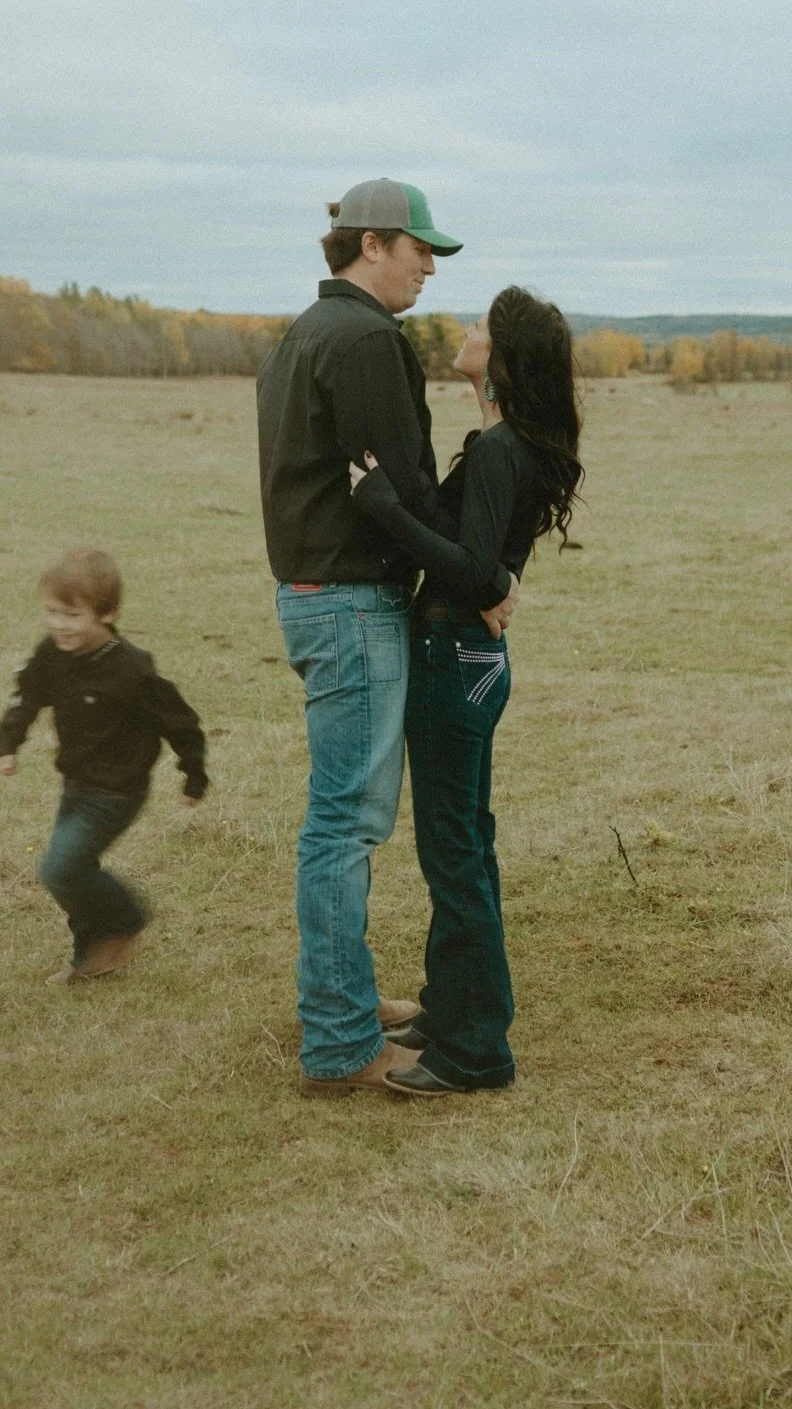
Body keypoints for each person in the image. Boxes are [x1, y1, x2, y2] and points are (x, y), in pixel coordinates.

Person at [256, 179, 519, 1096]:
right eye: (420, 251)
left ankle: (345, 996)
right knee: (347, 821)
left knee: (341, 816)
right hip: (351, 602)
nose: (430, 269)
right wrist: (481, 577)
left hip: (315, 594)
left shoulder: (304, 332)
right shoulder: (369, 340)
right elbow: (400, 488)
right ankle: (337, 1040)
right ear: (372, 244)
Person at [349, 287, 583, 1095]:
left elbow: (475, 568)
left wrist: (383, 507)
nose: (467, 330)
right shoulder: (503, 442)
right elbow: (489, 564)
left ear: (504, 357)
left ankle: (477, 1048)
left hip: (455, 654)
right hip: (473, 658)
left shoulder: (499, 450)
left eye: (482, 326)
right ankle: (453, 1008)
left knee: (453, 851)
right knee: (465, 844)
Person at [0, 547, 208, 984]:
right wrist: (9, 741)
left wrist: (194, 773)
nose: (58, 624)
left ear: (107, 613)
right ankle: (91, 955)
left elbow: (180, 721)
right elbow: (28, 693)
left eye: (72, 615)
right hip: (76, 782)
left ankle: (127, 918)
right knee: (73, 870)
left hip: (116, 791)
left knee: (61, 869)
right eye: (52, 611)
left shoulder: (131, 670)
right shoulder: (52, 654)